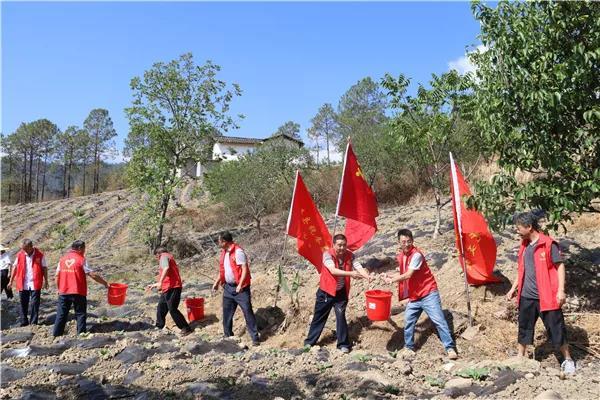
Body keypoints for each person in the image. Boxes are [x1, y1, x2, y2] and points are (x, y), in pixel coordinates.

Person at [506, 212, 575, 374]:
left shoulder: (548, 244)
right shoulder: (524, 246)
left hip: (547, 296)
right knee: (524, 327)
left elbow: (560, 266)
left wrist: (561, 291)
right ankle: (520, 357)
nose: (517, 231)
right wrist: (513, 289)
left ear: (529, 227)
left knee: (557, 328)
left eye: (518, 228)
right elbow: (521, 270)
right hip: (526, 296)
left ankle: (568, 359)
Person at [384, 229, 458, 360]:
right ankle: (409, 347)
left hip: (428, 292)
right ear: (399, 243)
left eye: (408, 241)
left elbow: (408, 274)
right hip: (415, 296)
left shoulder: (416, 255)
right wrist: (388, 275)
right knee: (408, 320)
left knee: (439, 320)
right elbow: (402, 272)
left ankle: (450, 348)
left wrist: (392, 279)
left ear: (412, 241)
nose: (406, 244)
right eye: (403, 242)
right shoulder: (402, 256)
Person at [304, 233, 370, 353]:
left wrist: (368, 277)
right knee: (319, 317)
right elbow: (333, 270)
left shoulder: (350, 255)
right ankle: (309, 342)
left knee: (341, 316)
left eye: (344, 245)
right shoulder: (327, 255)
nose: (342, 248)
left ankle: (343, 344)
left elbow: (358, 266)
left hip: (341, 292)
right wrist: (351, 274)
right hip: (326, 292)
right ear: (333, 245)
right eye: (339, 245)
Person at [53, 240, 109, 336]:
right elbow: (93, 275)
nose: (84, 251)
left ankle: (56, 335)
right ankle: (81, 335)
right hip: (77, 291)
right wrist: (105, 283)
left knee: (61, 314)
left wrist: (59, 289)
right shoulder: (81, 259)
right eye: (84, 249)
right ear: (80, 248)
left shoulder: (62, 259)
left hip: (64, 291)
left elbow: (57, 276)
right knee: (80, 314)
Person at [212, 231, 259, 345]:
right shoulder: (224, 252)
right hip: (228, 288)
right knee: (227, 313)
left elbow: (244, 269)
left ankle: (255, 338)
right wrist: (217, 282)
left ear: (224, 241)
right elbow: (223, 270)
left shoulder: (238, 252)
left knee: (247, 311)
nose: (218, 243)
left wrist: (240, 284)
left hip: (240, 289)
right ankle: (228, 336)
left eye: (219, 241)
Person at [146, 246, 192, 336]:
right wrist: (157, 284)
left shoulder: (163, 256)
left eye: (156, 257)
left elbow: (166, 268)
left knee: (172, 309)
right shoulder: (168, 256)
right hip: (167, 287)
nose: (157, 259)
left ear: (158, 254)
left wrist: (160, 282)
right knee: (161, 307)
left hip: (173, 287)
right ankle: (159, 326)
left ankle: (186, 328)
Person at [9, 239, 48, 326]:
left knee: (35, 303)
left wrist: (46, 281)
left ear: (31, 247)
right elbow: (14, 267)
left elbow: (44, 268)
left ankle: (34, 322)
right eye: (23, 249)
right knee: (23, 302)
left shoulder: (40, 255)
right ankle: (24, 321)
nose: (24, 251)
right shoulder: (20, 255)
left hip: (35, 282)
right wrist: (11, 281)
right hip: (23, 282)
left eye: (25, 249)